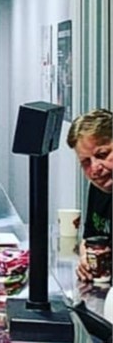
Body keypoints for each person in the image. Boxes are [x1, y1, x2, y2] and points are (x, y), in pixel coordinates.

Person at [66, 109, 112, 281]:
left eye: (102, 155)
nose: (95, 169)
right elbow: (89, 239)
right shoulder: (98, 187)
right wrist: (86, 258)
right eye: (85, 162)